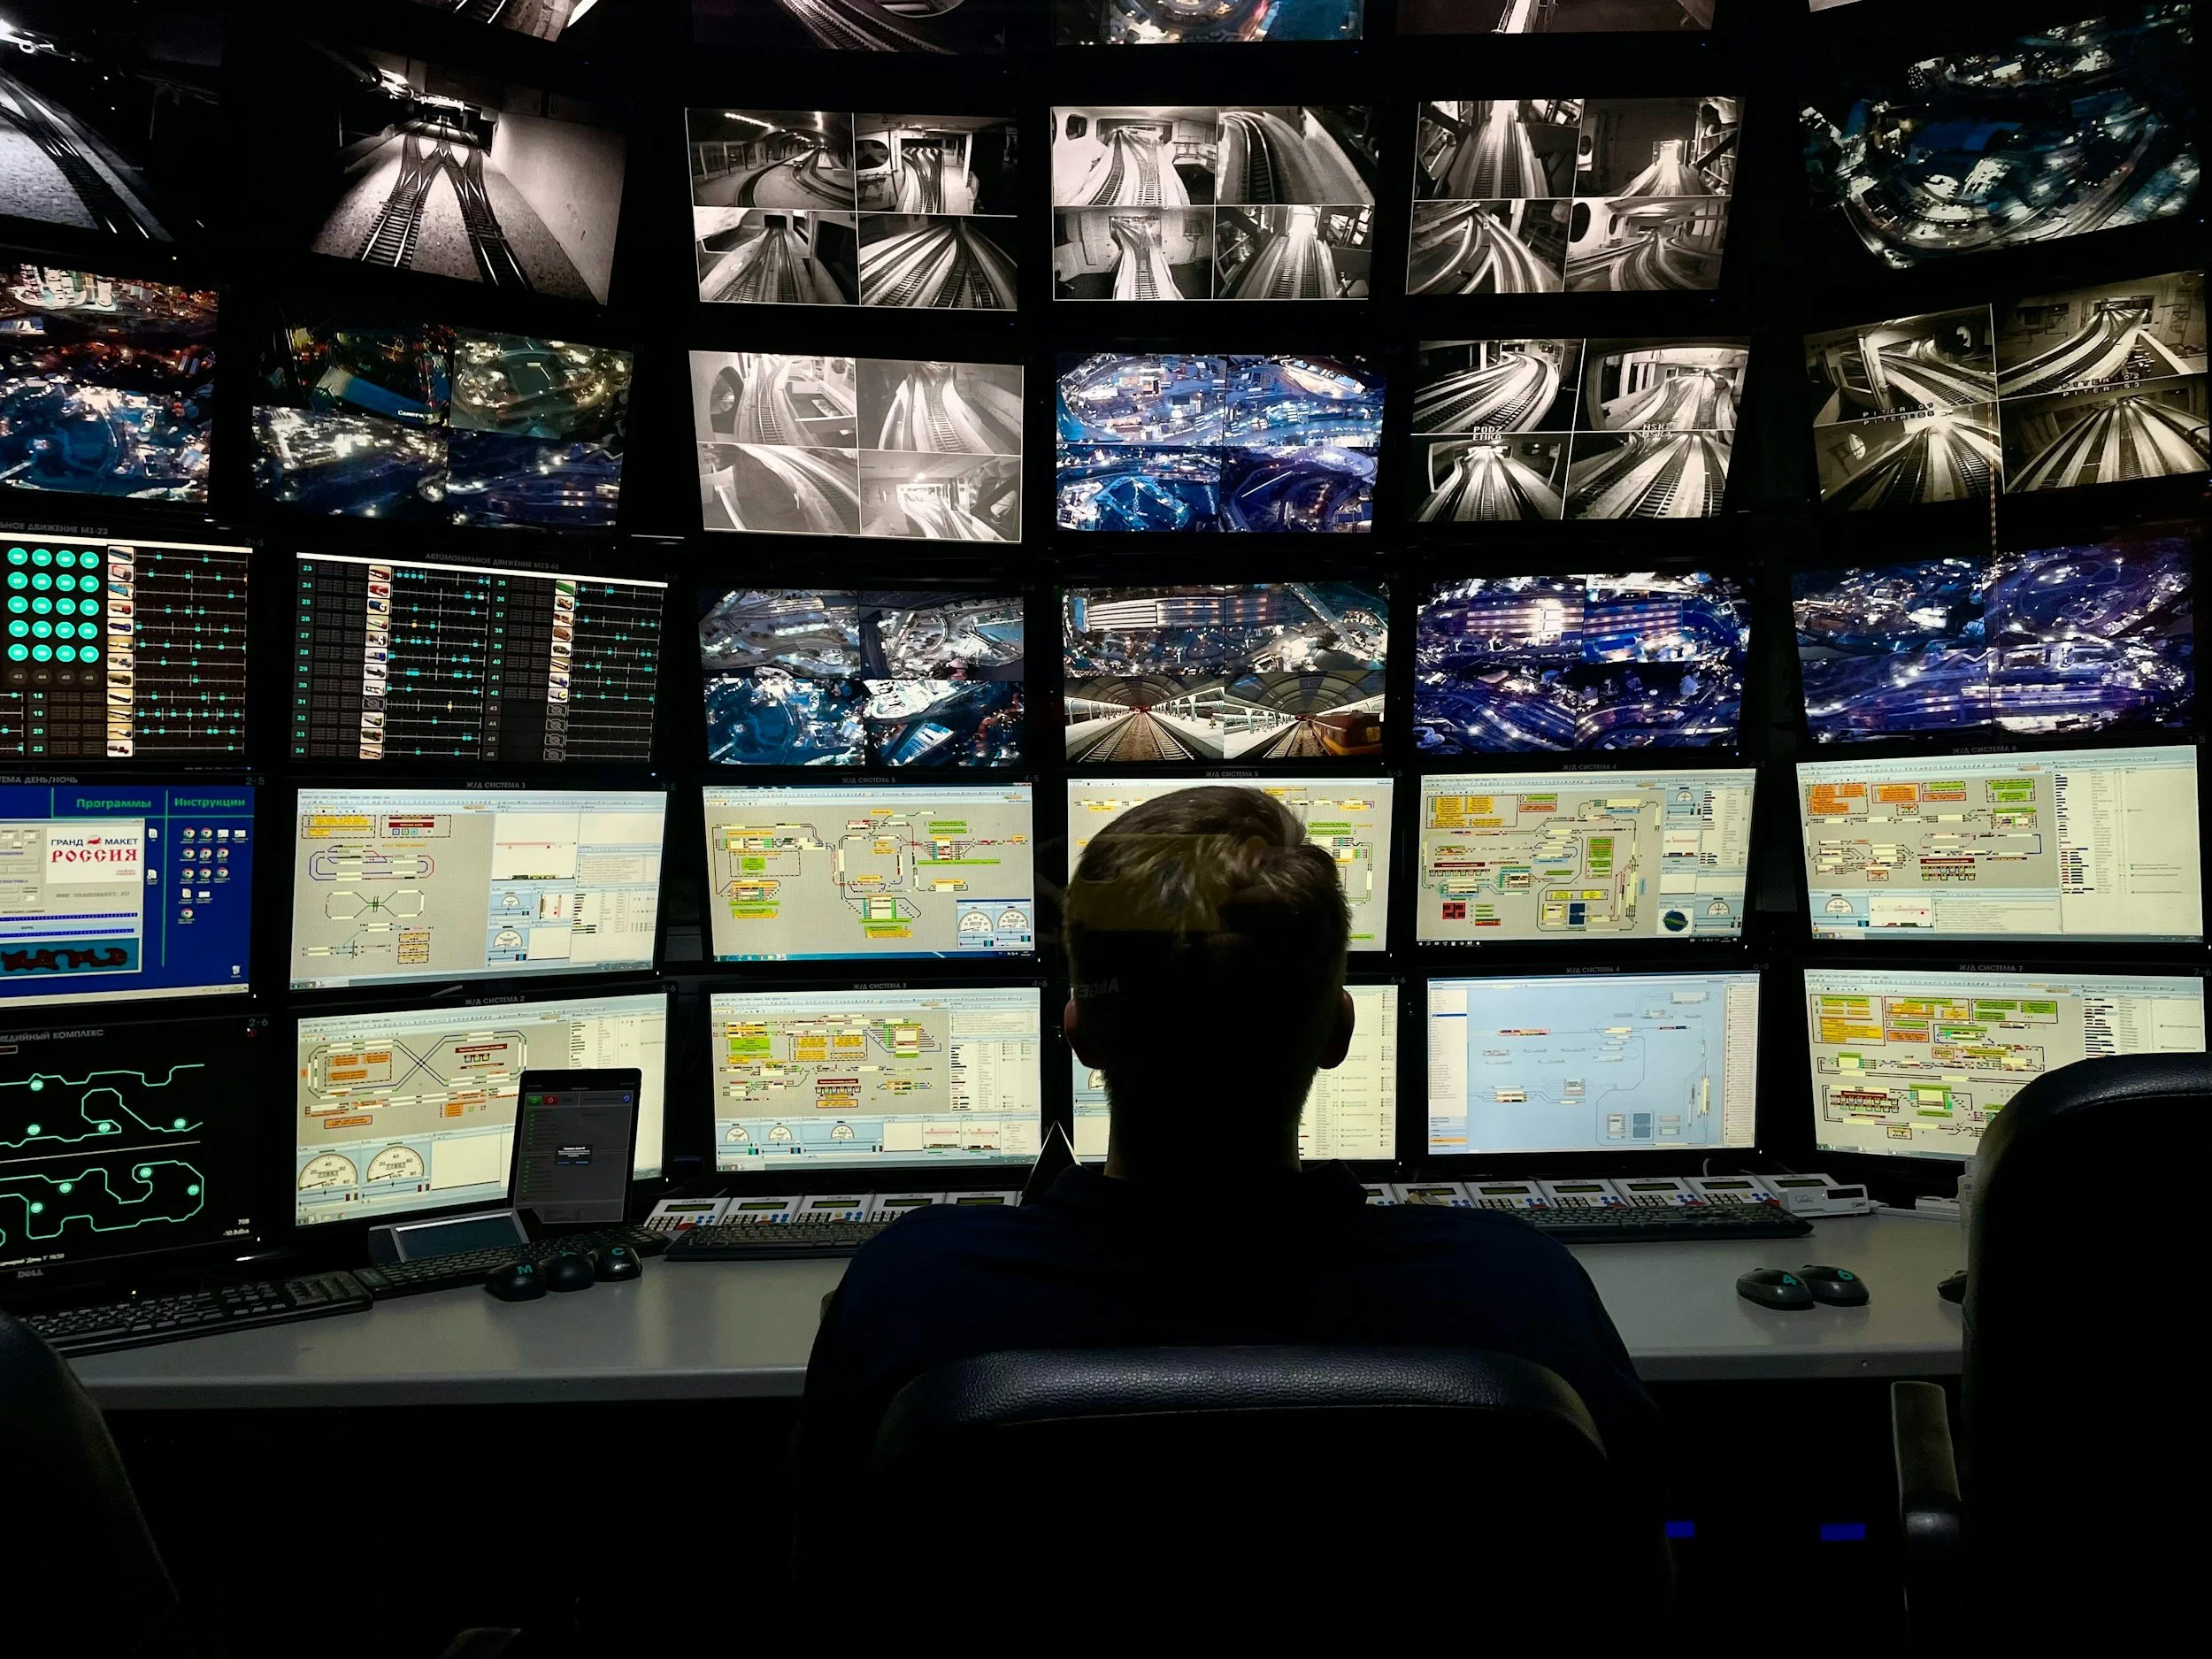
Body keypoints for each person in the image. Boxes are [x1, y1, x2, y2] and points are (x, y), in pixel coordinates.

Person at [793, 785, 1663, 1540]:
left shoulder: (911, 1287)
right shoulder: (1520, 1289)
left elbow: (824, 1574)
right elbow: (1642, 1560)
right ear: (1338, 1032)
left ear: (1079, 1033)